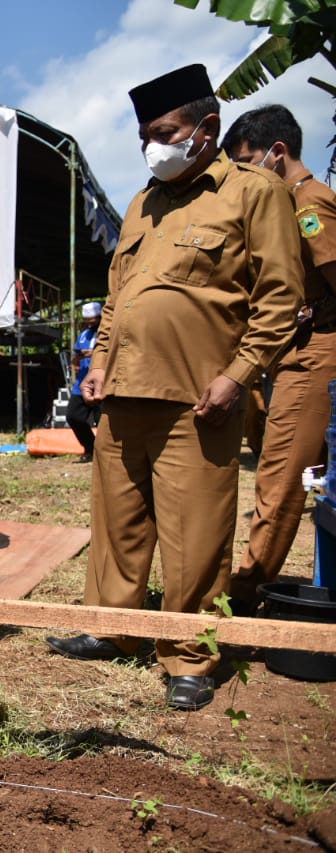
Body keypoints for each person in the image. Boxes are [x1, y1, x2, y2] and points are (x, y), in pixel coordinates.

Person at [46, 65, 303, 711]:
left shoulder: (253, 194)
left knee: (196, 538)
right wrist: (99, 361)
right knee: (118, 526)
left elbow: (281, 298)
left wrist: (236, 377)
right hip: (125, 392)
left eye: (163, 132)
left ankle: (190, 652)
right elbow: (117, 297)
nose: (151, 147)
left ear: (205, 129)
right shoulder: (141, 204)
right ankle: (115, 627)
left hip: (199, 398)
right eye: (143, 137)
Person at [222, 104, 336, 610]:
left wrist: (309, 314)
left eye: (248, 161)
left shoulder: (309, 205)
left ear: (278, 153)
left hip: (315, 357)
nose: (244, 174)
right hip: (297, 354)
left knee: (281, 480)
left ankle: (242, 597)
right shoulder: (285, 203)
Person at [66, 302, 102, 463]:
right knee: (73, 416)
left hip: (102, 383)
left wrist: (94, 354)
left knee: (103, 421)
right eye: (87, 320)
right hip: (82, 383)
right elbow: (74, 360)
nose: (89, 323)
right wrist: (79, 357)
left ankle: (104, 453)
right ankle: (90, 447)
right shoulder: (83, 335)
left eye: (93, 320)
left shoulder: (108, 333)